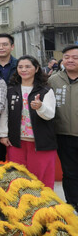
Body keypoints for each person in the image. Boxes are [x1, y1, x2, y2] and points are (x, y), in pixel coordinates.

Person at [0, 55, 57, 188]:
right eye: (20, 67)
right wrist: (3, 134)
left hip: (40, 144)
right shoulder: (11, 90)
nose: (23, 70)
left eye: (27, 66)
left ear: (36, 69)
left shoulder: (45, 90)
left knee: (40, 180)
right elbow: (5, 113)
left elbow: (50, 114)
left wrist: (40, 107)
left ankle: (42, 207)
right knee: (17, 179)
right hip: (16, 142)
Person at [48, 45, 78, 209]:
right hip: (63, 134)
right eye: (67, 57)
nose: (70, 60)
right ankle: (73, 205)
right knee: (70, 173)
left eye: (75, 57)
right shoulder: (53, 80)